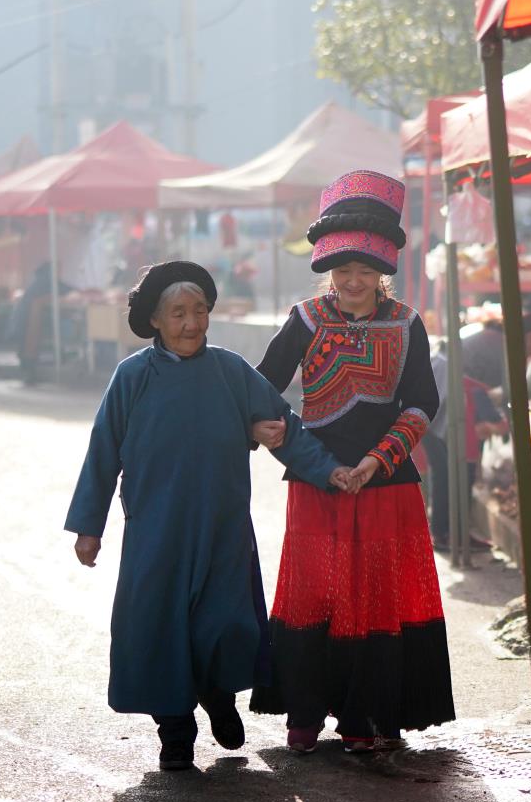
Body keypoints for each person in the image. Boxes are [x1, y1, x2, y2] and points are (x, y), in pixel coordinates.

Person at [65, 261, 345, 772]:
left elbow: (284, 427)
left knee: (225, 623)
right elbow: (102, 451)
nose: (192, 323)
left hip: (222, 527)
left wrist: (330, 472)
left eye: (199, 311)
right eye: (178, 313)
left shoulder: (230, 370)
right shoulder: (132, 377)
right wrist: (89, 526)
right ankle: (174, 730)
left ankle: (218, 695)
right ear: (155, 320)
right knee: (159, 628)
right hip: (157, 531)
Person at [250, 170, 457, 753]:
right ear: (328, 270)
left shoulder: (407, 323)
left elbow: (422, 402)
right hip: (317, 479)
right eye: (344, 270)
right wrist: (284, 441)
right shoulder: (306, 320)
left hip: (386, 480)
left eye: (366, 270)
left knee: (377, 593)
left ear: (383, 271)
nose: (354, 280)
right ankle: (305, 714)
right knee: (314, 589)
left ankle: (367, 716)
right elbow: (265, 387)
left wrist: (374, 461)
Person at [426, 336, 506, 552]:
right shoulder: (451, 369)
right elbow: (498, 422)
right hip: (442, 431)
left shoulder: (441, 362)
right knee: (450, 478)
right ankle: (448, 533)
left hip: (435, 427)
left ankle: (450, 532)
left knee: (447, 476)